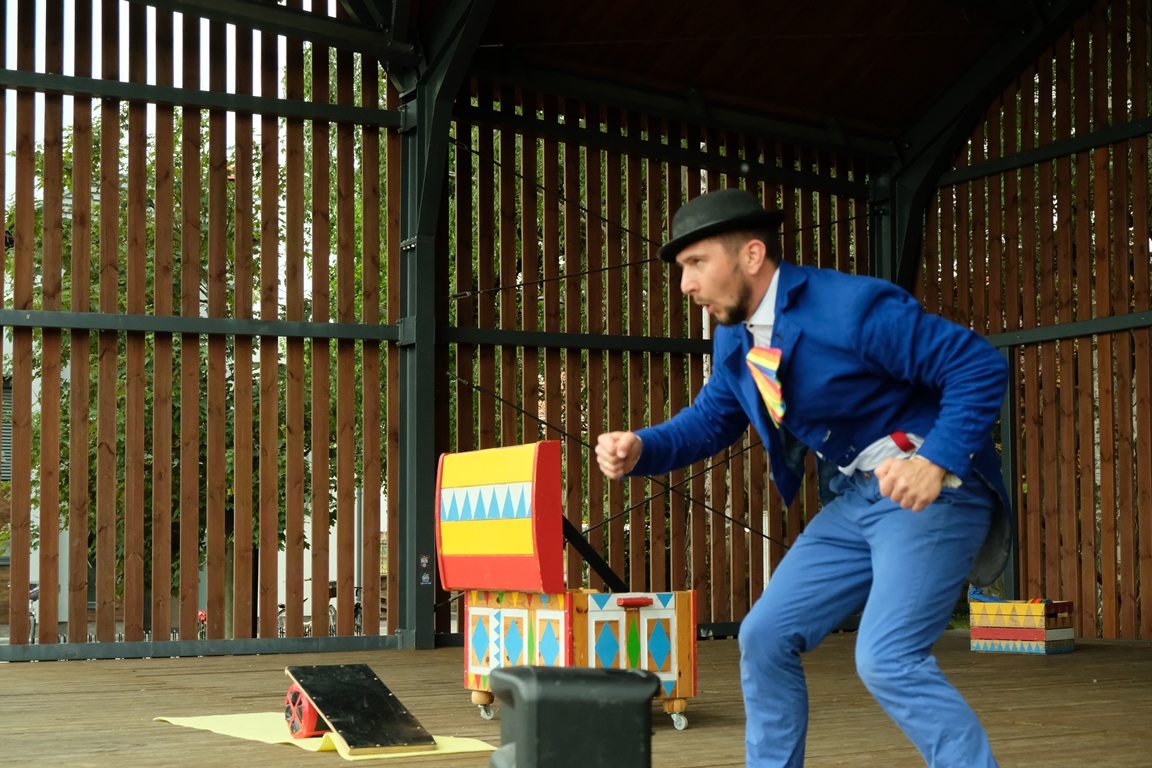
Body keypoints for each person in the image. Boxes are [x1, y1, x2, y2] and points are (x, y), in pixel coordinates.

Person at [595, 188, 1010, 768]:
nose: (685, 284)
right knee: (763, 636)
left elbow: (978, 364)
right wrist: (642, 447)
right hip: (857, 498)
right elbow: (713, 419)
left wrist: (933, 462)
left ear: (751, 255)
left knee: (887, 658)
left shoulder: (851, 307)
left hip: (929, 497)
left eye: (696, 263)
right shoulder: (736, 335)